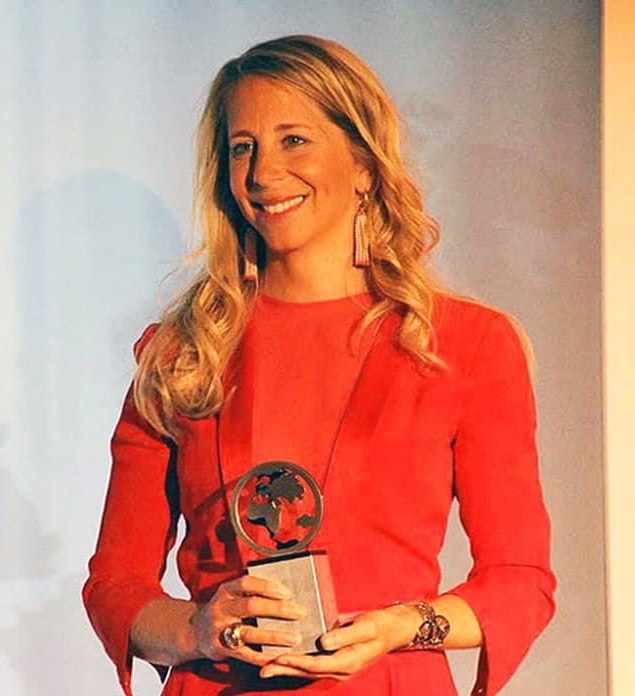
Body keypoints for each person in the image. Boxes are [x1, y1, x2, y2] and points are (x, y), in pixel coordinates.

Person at [83, 35, 555, 695]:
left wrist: (400, 626)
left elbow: (519, 581)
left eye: (294, 140)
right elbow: (115, 586)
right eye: (242, 147)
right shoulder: (182, 353)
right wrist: (201, 630)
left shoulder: (465, 344)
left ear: (363, 163)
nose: (263, 173)